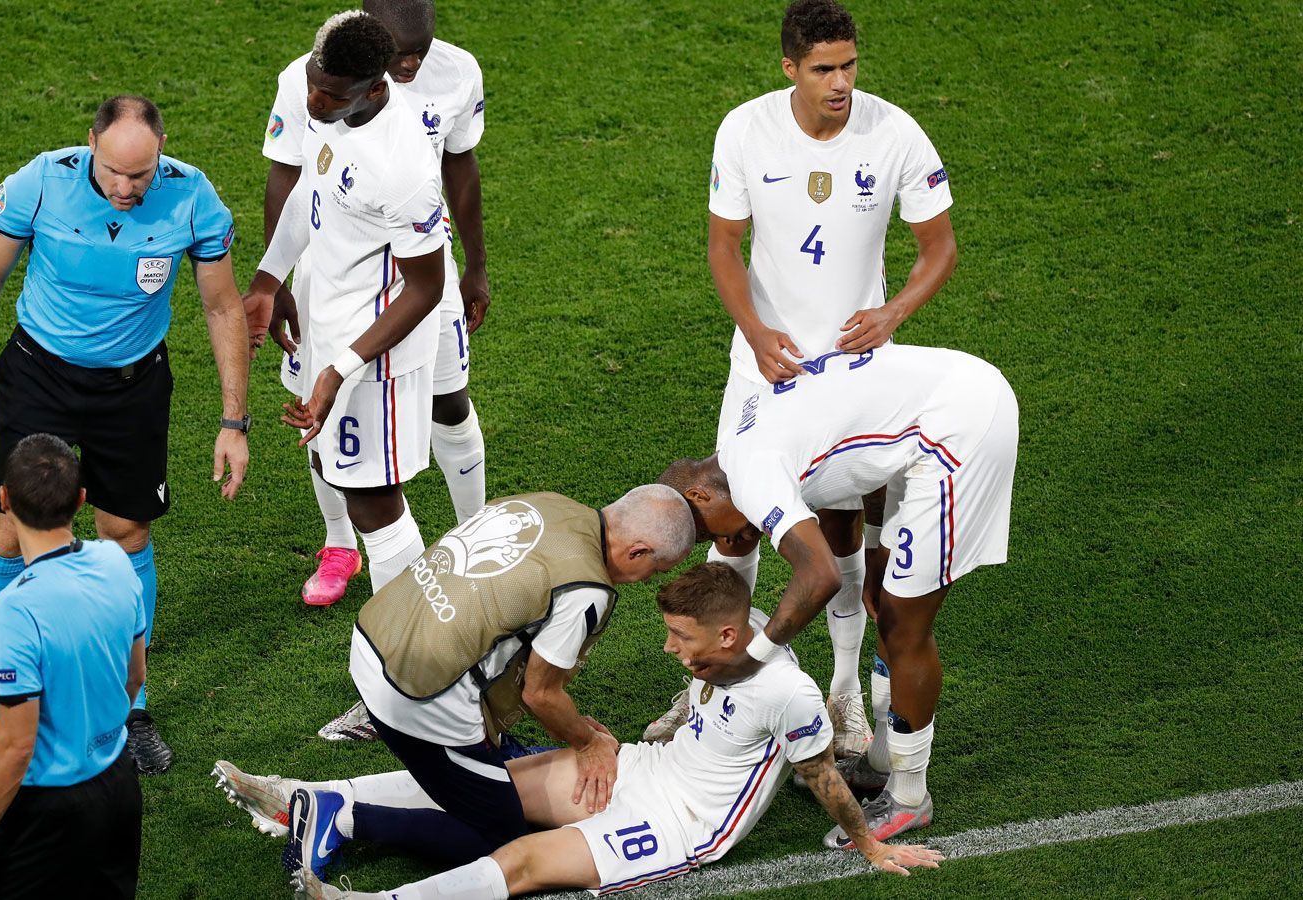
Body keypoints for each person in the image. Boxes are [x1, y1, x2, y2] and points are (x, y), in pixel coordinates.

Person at [223, 564, 943, 899]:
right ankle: (300, 797)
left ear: (728, 634)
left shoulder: (786, 690)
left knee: (525, 862)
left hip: (678, 824)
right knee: (488, 787)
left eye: (679, 637)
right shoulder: (733, 634)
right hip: (642, 770)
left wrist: (871, 847)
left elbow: (821, 776)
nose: (669, 648)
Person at [656, 0, 960, 757]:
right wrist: (755, 333)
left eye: (849, 65)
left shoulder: (893, 133)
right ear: (789, 67)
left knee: (842, 529)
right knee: (739, 516)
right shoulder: (745, 129)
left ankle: (848, 692)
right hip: (763, 364)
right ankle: (705, 687)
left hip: (855, 370)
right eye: (824, 68)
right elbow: (725, 245)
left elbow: (939, 249)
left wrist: (891, 315)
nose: (841, 82)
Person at [0, 95, 255, 775]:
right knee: (7, 536)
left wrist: (234, 421)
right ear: (90, 145)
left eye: (139, 177)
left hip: (133, 390)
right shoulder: (40, 182)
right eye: (113, 172)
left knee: (128, 537)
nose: (124, 188)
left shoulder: (193, 197)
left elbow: (223, 305)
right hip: (38, 379)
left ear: (161, 157)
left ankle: (129, 707)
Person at [215, 485, 699, 878]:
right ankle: (331, 814)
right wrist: (587, 740)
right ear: (637, 549)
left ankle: (342, 790)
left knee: (497, 766)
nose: (644, 580)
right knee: (500, 838)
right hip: (416, 696)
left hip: (372, 639)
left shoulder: (545, 502)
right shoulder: (588, 588)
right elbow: (540, 693)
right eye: (654, 569)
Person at [662, 342, 1019, 844]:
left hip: (961, 430)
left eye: (708, 532)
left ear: (700, 494)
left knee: (903, 622)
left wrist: (751, 658)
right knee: (887, 597)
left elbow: (820, 576)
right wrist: (877, 548)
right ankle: (880, 759)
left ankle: (910, 796)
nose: (732, 541)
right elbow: (866, 453)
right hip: (932, 412)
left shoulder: (754, 475)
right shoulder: (737, 438)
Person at [259, 0, 491, 612]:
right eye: (314, 87)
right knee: (344, 478)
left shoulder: (403, 167)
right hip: (335, 317)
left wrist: (343, 366)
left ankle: (410, 653)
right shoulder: (336, 109)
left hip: (375, 346)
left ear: (374, 85)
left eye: (330, 96)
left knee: (375, 502)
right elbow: (306, 190)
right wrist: (266, 278)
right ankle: (405, 649)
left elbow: (425, 286)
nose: (315, 104)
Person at [0, 434, 147, 900]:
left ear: (4, 500)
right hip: (119, 787)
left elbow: (16, 745)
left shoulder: (14, 611)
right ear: (82, 500)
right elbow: (134, 677)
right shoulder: (117, 564)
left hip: (48, 809)